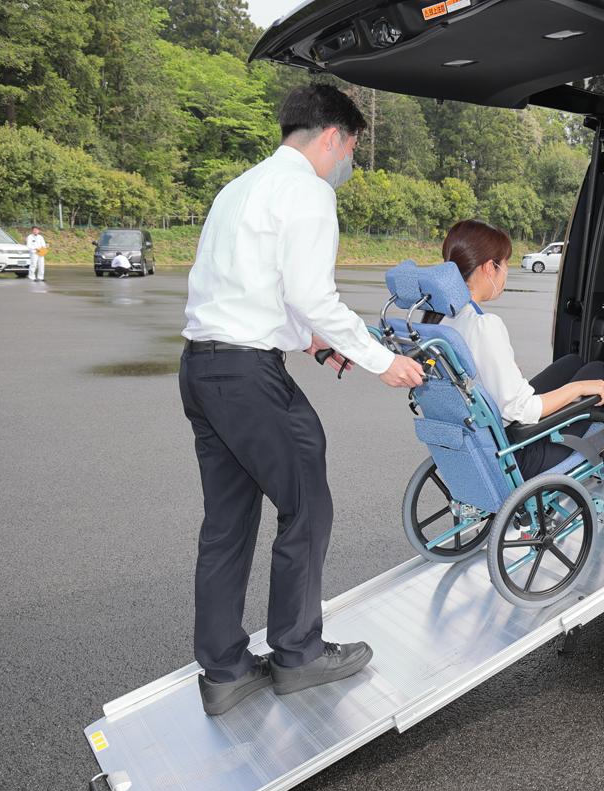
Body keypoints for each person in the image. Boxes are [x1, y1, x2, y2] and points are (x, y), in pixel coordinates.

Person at [179, 83, 425, 716]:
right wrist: (382, 361)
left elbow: (258, 290)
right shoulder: (309, 192)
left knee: (227, 524)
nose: (346, 164)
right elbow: (314, 296)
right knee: (307, 505)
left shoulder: (238, 188)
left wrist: (315, 345)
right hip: (249, 377)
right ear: (331, 138)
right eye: (349, 149)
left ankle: (225, 670)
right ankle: (298, 654)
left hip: (203, 370)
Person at [433, 219, 604, 478]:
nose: (507, 270)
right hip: (518, 451)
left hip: (485, 438)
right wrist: (579, 388)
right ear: (488, 268)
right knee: (598, 374)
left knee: (573, 363)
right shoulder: (484, 325)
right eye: (504, 263)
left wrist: (506, 374)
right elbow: (520, 410)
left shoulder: (445, 320)